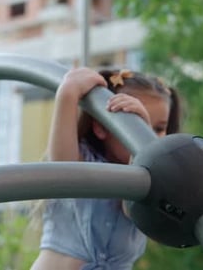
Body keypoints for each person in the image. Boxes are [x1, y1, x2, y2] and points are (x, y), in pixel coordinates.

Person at [30, 67, 182, 270]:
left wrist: (141, 145)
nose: (148, 134)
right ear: (101, 126)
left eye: (158, 128)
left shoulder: (152, 184)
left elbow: (132, 208)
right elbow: (62, 169)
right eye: (135, 121)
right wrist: (68, 93)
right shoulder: (84, 163)